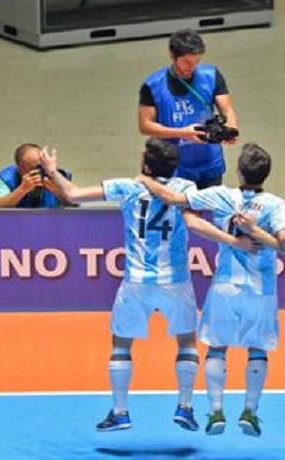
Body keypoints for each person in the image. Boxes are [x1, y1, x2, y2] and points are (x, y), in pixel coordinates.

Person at [39, 138, 250, 433]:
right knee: (186, 342)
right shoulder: (186, 189)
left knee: (121, 345)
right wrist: (233, 242)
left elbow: (72, 194)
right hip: (175, 281)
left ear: (146, 165)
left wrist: (51, 170)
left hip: (136, 282)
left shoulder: (126, 186)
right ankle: (185, 407)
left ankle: (120, 411)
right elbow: (195, 225)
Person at [136, 143, 285, 437]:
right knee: (257, 350)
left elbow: (174, 198)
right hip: (261, 289)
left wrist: (146, 179)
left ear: (238, 171)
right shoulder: (274, 204)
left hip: (225, 286)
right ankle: (250, 411)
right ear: (266, 174)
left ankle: (216, 411)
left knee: (217, 348)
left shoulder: (221, 195)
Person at [138, 29, 239, 189]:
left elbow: (227, 110)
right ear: (172, 55)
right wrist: (182, 133)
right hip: (174, 167)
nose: (192, 67)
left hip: (209, 162)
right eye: (186, 62)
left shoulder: (211, 75)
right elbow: (145, 126)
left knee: (209, 211)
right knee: (179, 213)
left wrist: (231, 129)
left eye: (196, 61)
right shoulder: (153, 85)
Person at [0, 143, 74, 208]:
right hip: (16, 224)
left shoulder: (58, 175)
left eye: (45, 164)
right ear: (20, 168)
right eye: (37, 167)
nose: (44, 170)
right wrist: (22, 189)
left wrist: (57, 192)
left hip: (50, 223)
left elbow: (74, 206)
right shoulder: (5, 178)